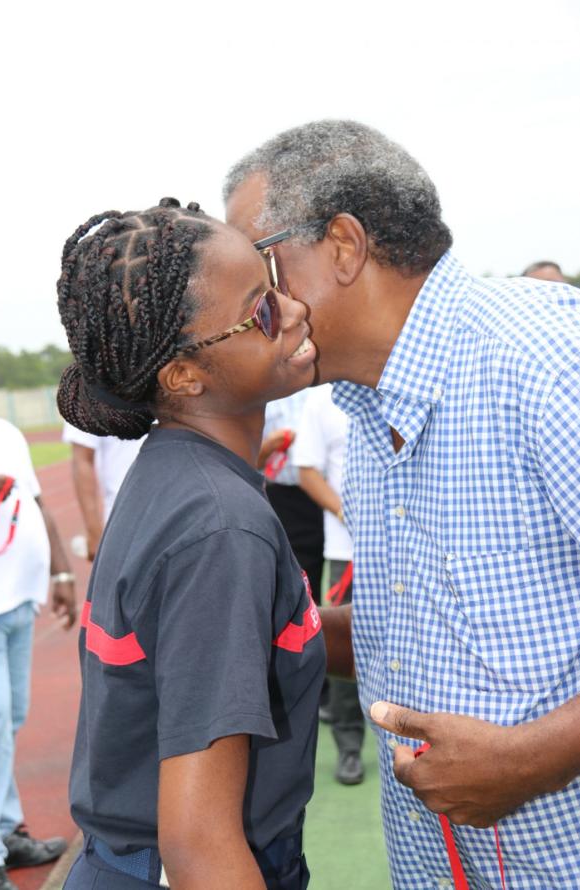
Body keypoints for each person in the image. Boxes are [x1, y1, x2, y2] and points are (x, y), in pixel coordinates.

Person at [224, 120, 580, 887]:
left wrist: (536, 756)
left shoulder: (548, 360)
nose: (252, 312)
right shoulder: (366, 407)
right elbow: (427, 623)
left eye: (258, 273)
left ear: (343, 246)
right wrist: (259, 630)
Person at [56, 198, 325, 890]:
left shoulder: (172, 472)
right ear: (183, 376)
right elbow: (198, 843)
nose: (295, 310)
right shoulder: (220, 525)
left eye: (275, 284)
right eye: (262, 310)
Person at [0, 416, 76, 890]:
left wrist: (61, 573)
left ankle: (5, 831)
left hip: (18, 600)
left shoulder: (5, 432)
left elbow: (37, 503)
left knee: (8, 722)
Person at [294, 384, 364, 785]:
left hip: (407, 548)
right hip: (346, 550)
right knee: (347, 646)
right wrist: (349, 514)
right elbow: (307, 471)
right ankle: (349, 746)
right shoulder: (322, 400)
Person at [256, 393, 324, 606]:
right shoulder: (267, 394)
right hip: (284, 497)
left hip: (326, 496)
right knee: (296, 570)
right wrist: (270, 445)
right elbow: (248, 458)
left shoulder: (324, 392)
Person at [61, 423, 145, 559]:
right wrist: (94, 532)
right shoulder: (86, 408)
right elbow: (82, 458)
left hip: (173, 507)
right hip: (124, 517)